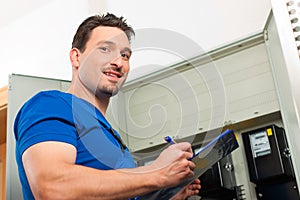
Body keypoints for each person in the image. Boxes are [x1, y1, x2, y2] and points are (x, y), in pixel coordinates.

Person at [14, 13, 201, 200]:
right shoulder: (50, 105)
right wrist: (158, 173)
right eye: (105, 49)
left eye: (125, 55)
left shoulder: (111, 137)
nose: (118, 62)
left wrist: (169, 194)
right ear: (76, 58)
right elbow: (52, 188)